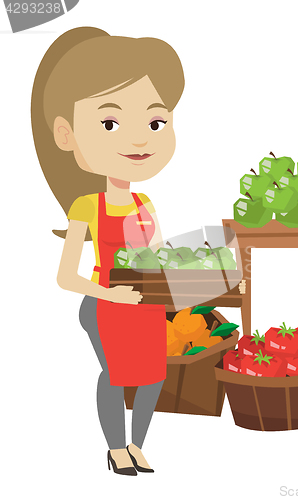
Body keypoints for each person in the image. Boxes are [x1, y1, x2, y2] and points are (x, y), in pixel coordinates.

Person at [31, 27, 185, 475]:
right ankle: (115, 447)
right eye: (110, 124)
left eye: (156, 123)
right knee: (117, 376)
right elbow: (65, 277)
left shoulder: (145, 203)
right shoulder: (88, 206)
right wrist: (114, 296)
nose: (140, 140)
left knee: (155, 375)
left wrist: (187, 276)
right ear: (67, 135)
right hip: (105, 303)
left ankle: (138, 444)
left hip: (147, 304)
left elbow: (157, 259)